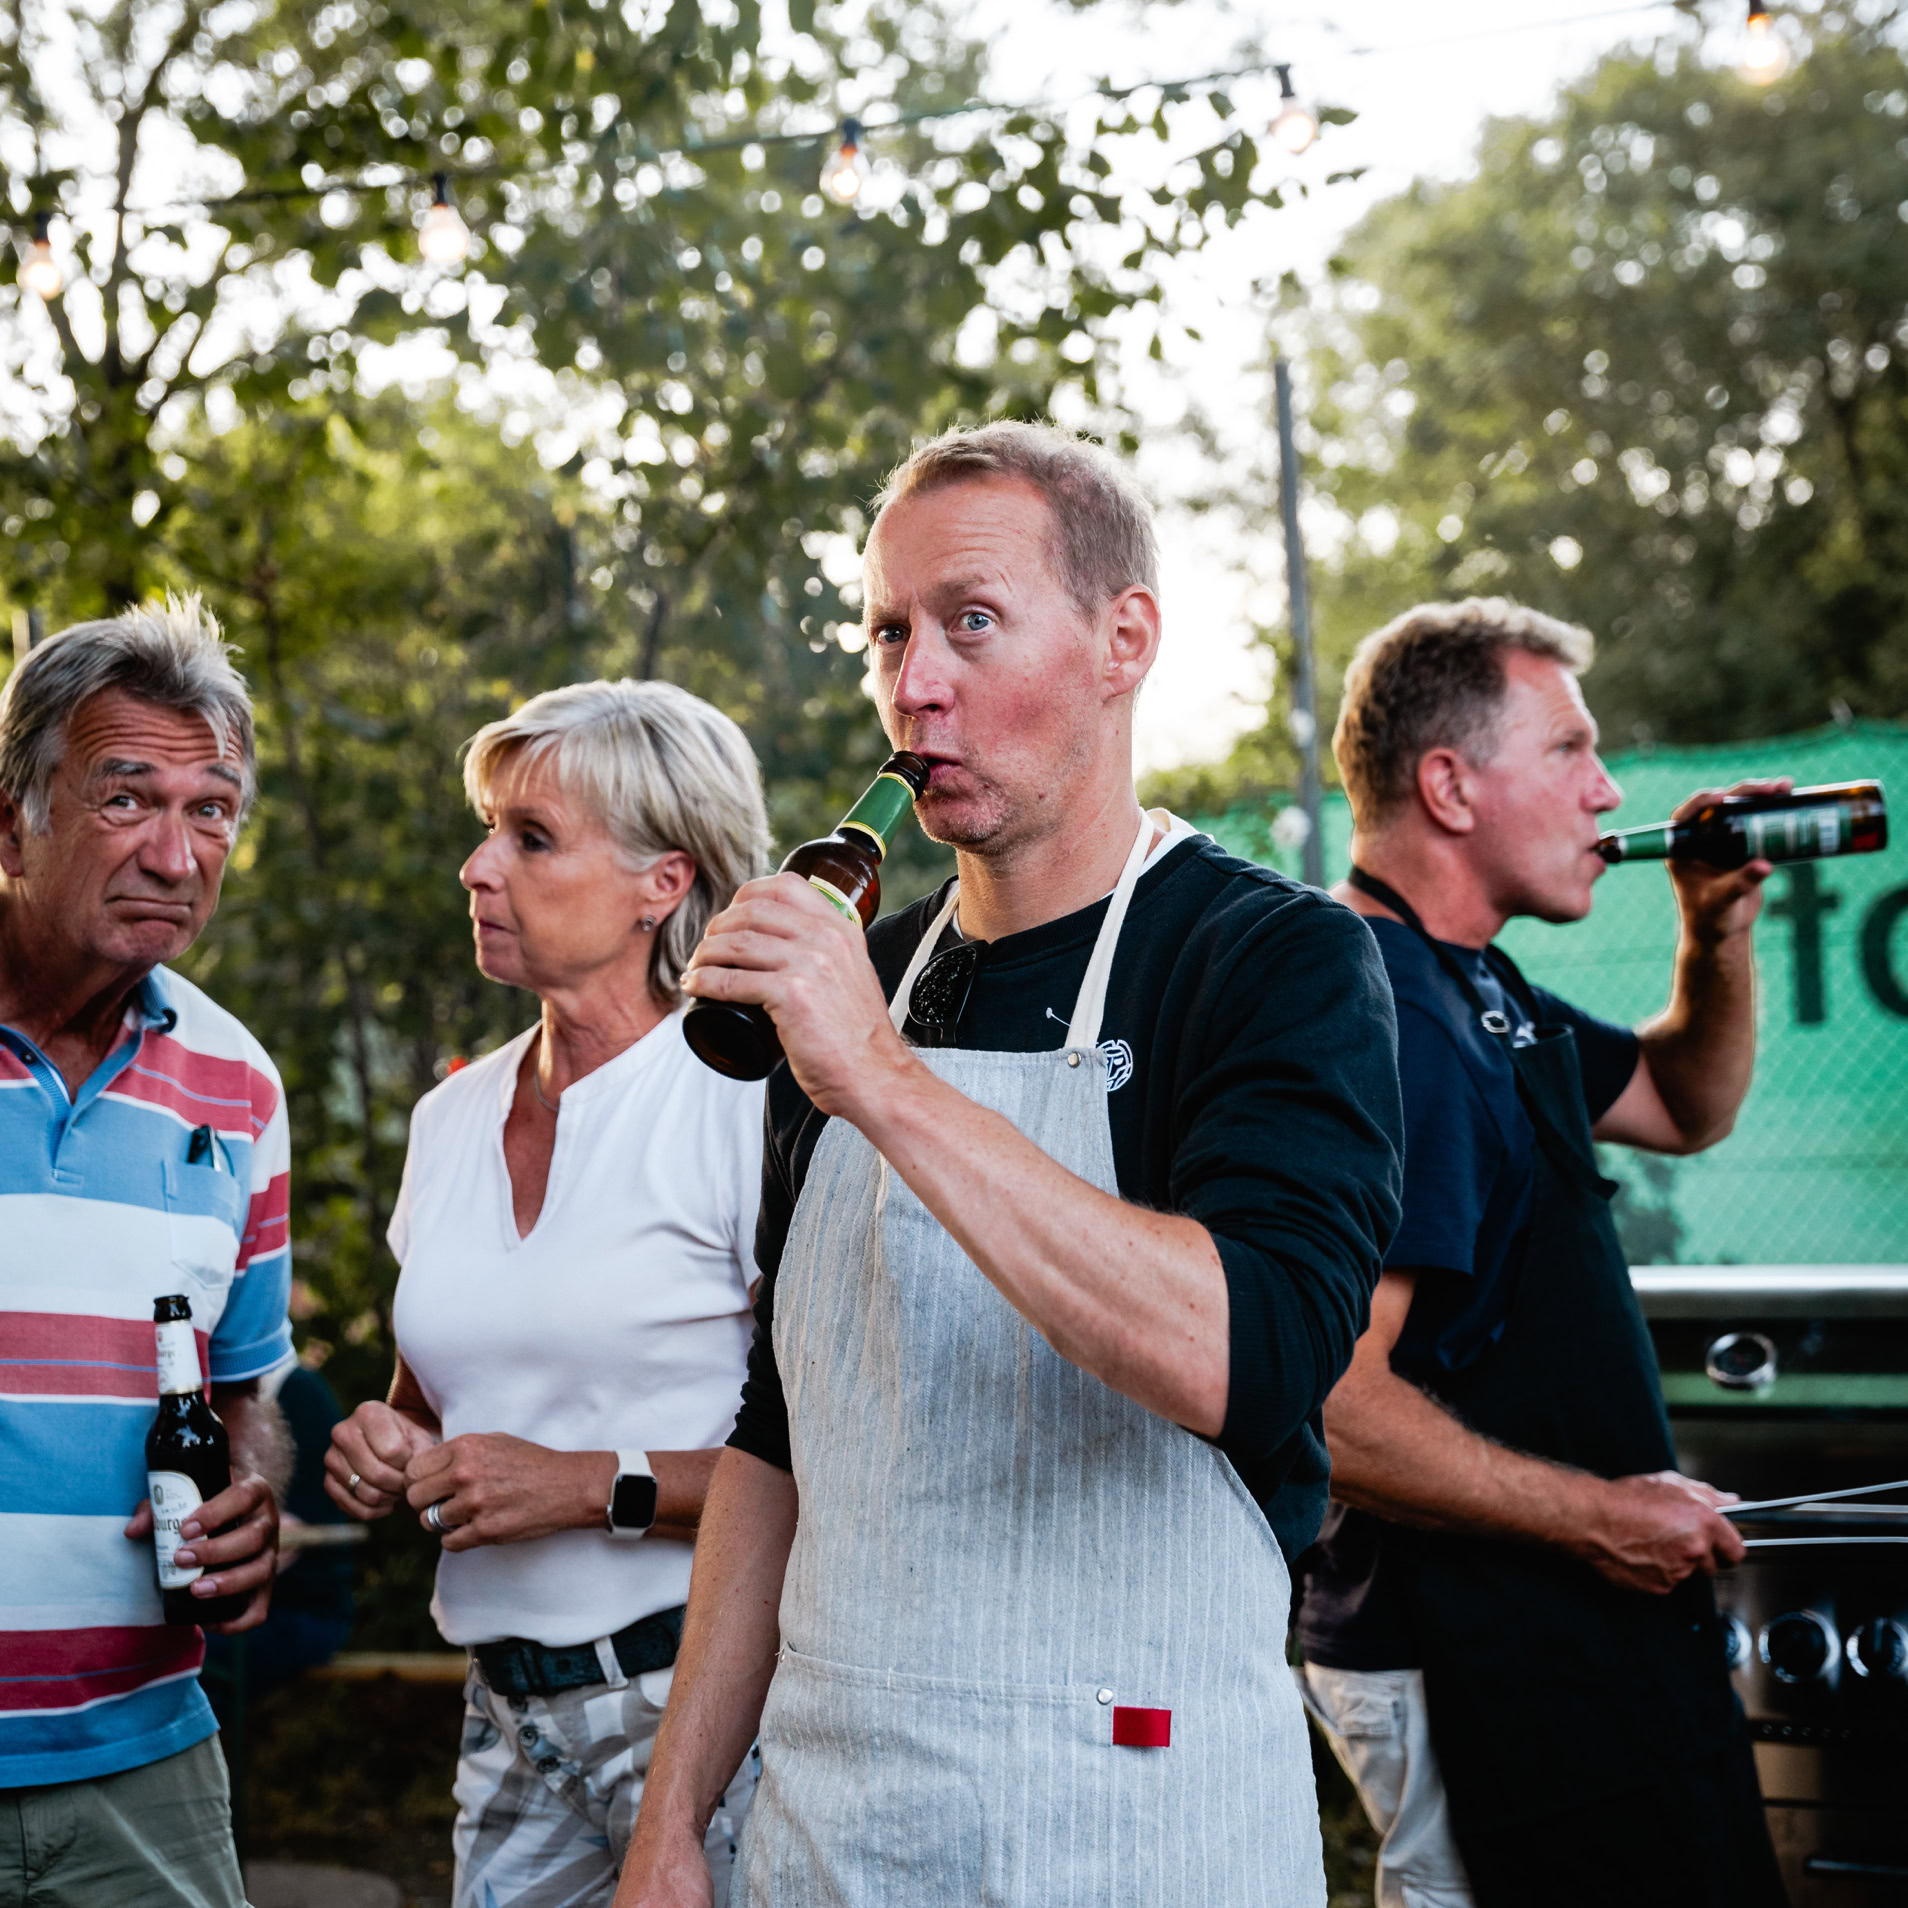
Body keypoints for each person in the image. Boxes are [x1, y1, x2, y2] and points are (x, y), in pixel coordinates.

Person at [614, 421, 1405, 1908]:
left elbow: (1251, 1353)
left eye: (972, 622)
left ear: (1124, 640)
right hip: (831, 1828)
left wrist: (883, 1082)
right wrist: (671, 1823)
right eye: (890, 634)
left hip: (1137, 1830)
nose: (915, 684)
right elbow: (778, 1440)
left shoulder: (1272, 957)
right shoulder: (870, 970)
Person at [1293, 599, 1786, 1908]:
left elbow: (1685, 1103)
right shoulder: (1386, 1012)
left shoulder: (1473, 979)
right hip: (1459, 1646)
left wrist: (1714, 927)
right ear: (1450, 785)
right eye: (1569, 749)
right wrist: (1603, 1518)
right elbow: (1332, 1404)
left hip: (1552, 1631)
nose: (1609, 790)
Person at [325, 680, 772, 1908]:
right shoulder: (449, 1115)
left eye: (531, 838)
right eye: (486, 830)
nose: (477, 867)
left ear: (662, 883)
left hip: (705, 1711)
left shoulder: (744, 1099)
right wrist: (386, 1443)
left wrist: (581, 1485)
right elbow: (430, 1398)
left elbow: (836, 1458)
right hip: (505, 1711)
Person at [0, 598, 292, 1908]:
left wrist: (251, 1497)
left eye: (212, 809)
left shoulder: (239, 1088)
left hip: (144, 1759)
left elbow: (247, 1393)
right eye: (129, 800)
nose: (178, 855)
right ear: (14, 814)